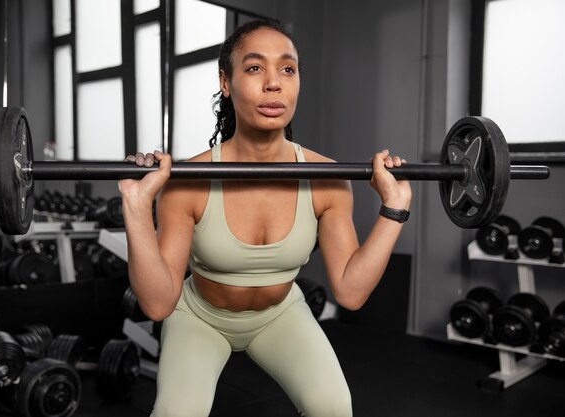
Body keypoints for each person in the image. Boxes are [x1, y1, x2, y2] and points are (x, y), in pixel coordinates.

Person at [119, 19, 411, 417]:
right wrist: (136, 209)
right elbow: (156, 305)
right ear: (226, 82)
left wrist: (393, 208)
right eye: (255, 67)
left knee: (334, 408)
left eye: (287, 69)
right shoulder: (188, 180)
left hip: (279, 316)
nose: (273, 83)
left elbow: (350, 292)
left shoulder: (326, 177)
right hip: (200, 318)